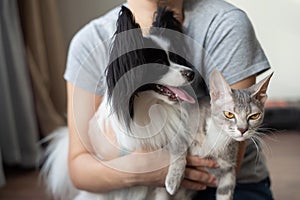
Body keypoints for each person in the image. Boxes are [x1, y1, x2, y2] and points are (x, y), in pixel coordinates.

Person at [64, 0, 273, 199]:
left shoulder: (225, 24)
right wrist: (140, 169)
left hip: (223, 184)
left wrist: (171, 163)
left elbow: (226, 158)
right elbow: (79, 169)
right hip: (125, 185)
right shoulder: (89, 41)